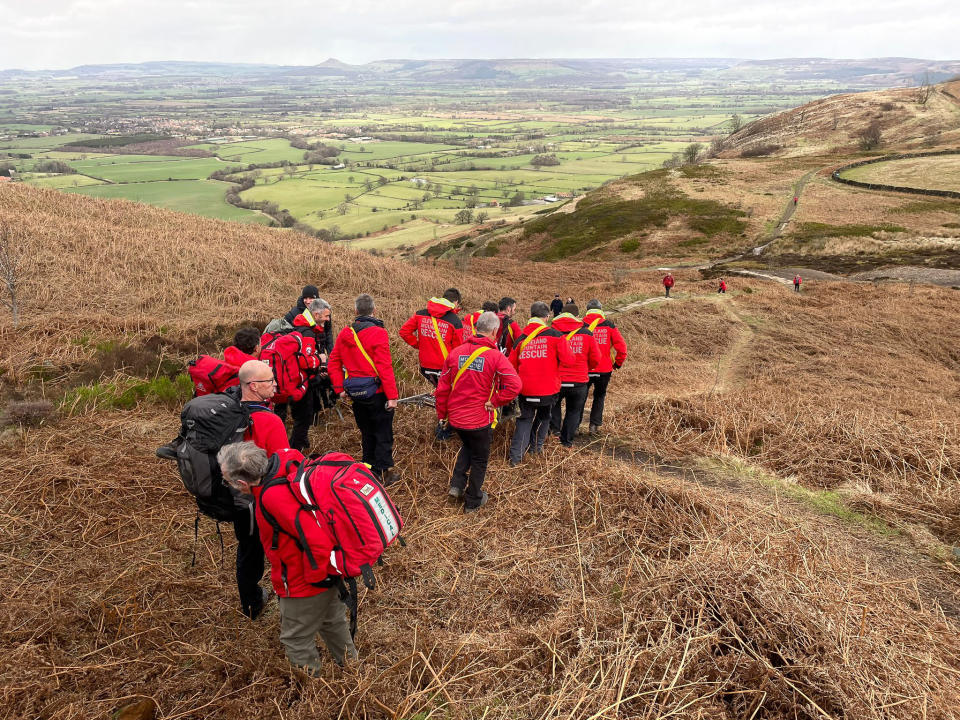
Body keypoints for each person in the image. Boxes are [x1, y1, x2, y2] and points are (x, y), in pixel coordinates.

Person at [218, 442, 358, 673]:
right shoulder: (286, 466)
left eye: (227, 481)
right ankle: (355, 674)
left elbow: (315, 538)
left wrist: (316, 578)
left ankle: (313, 697)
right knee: (333, 623)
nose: (230, 486)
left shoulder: (273, 497)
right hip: (330, 574)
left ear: (242, 483)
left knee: (296, 641)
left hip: (305, 581)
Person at [435, 311, 522, 513]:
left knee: (467, 445)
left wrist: (442, 416)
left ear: (476, 329)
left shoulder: (455, 353)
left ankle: (456, 485)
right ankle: (473, 500)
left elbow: (442, 389)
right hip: (479, 420)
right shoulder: (495, 356)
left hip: (456, 419)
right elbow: (515, 385)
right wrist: (496, 401)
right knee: (480, 459)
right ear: (494, 331)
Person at [233, 360, 292, 619]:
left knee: (247, 550)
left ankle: (251, 604)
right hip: (264, 500)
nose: (275, 384)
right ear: (254, 386)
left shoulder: (230, 413)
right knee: (281, 550)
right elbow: (283, 465)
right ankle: (291, 603)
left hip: (235, 496)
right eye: (270, 381)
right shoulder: (270, 421)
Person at [328, 294, 400, 485]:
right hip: (377, 394)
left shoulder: (345, 333)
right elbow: (384, 367)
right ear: (374, 311)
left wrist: (339, 389)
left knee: (366, 433)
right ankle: (383, 474)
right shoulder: (378, 333)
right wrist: (392, 396)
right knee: (383, 433)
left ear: (355, 311)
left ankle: (367, 469)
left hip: (356, 395)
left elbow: (333, 362)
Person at [508, 302, 573, 465]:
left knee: (524, 420)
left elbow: (510, 367)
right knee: (544, 418)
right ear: (547, 317)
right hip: (548, 389)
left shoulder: (521, 339)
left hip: (525, 390)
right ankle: (536, 450)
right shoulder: (556, 336)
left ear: (531, 316)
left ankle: (515, 459)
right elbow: (569, 360)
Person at [274, 298, 331, 453]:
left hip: (299, 381)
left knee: (301, 419)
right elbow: (304, 362)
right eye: (326, 316)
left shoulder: (301, 327)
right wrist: (320, 359)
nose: (327, 319)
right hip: (304, 384)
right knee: (303, 420)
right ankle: (294, 454)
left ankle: (299, 445)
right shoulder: (308, 333)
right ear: (317, 314)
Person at [550, 304, 601, 447]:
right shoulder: (586, 333)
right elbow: (596, 358)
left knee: (554, 406)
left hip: (557, 380)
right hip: (579, 380)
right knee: (573, 411)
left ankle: (554, 433)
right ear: (577, 317)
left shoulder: (552, 332)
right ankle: (567, 442)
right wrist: (586, 367)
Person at [399, 288, 465, 388]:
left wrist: (418, 345)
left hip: (425, 366)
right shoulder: (455, 321)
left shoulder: (420, 314)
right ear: (456, 302)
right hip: (445, 369)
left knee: (439, 392)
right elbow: (459, 350)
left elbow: (404, 332)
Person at [582, 300, 627, 435]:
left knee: (580, 397)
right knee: (599, 396)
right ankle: (594, 426)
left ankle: (575, 425)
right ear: (601, 310)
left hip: (585, 368)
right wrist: (617, 363)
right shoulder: (609, 325)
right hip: (604, 369)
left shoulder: (580, 325)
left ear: (587, 310)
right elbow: (622, 348)